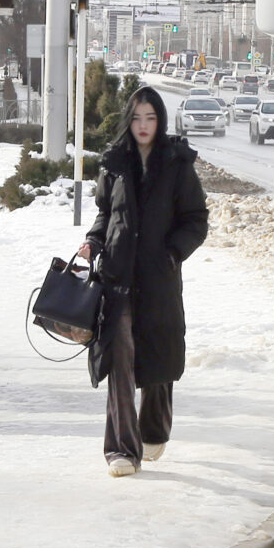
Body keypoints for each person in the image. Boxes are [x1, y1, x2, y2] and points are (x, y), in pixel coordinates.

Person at [74, 86, 208, 477]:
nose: (143, 126)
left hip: (159, 278)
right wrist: (94, 241)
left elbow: (196, 220)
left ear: (160, 120)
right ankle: (120, 449)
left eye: (150, 118)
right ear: (128, 121)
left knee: (159, 359)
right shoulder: (114, 163)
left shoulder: (177, 163)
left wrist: (172, 253)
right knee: (120, 358)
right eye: (136, 118)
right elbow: (105, 213)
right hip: (117, 276)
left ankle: (153, 431)